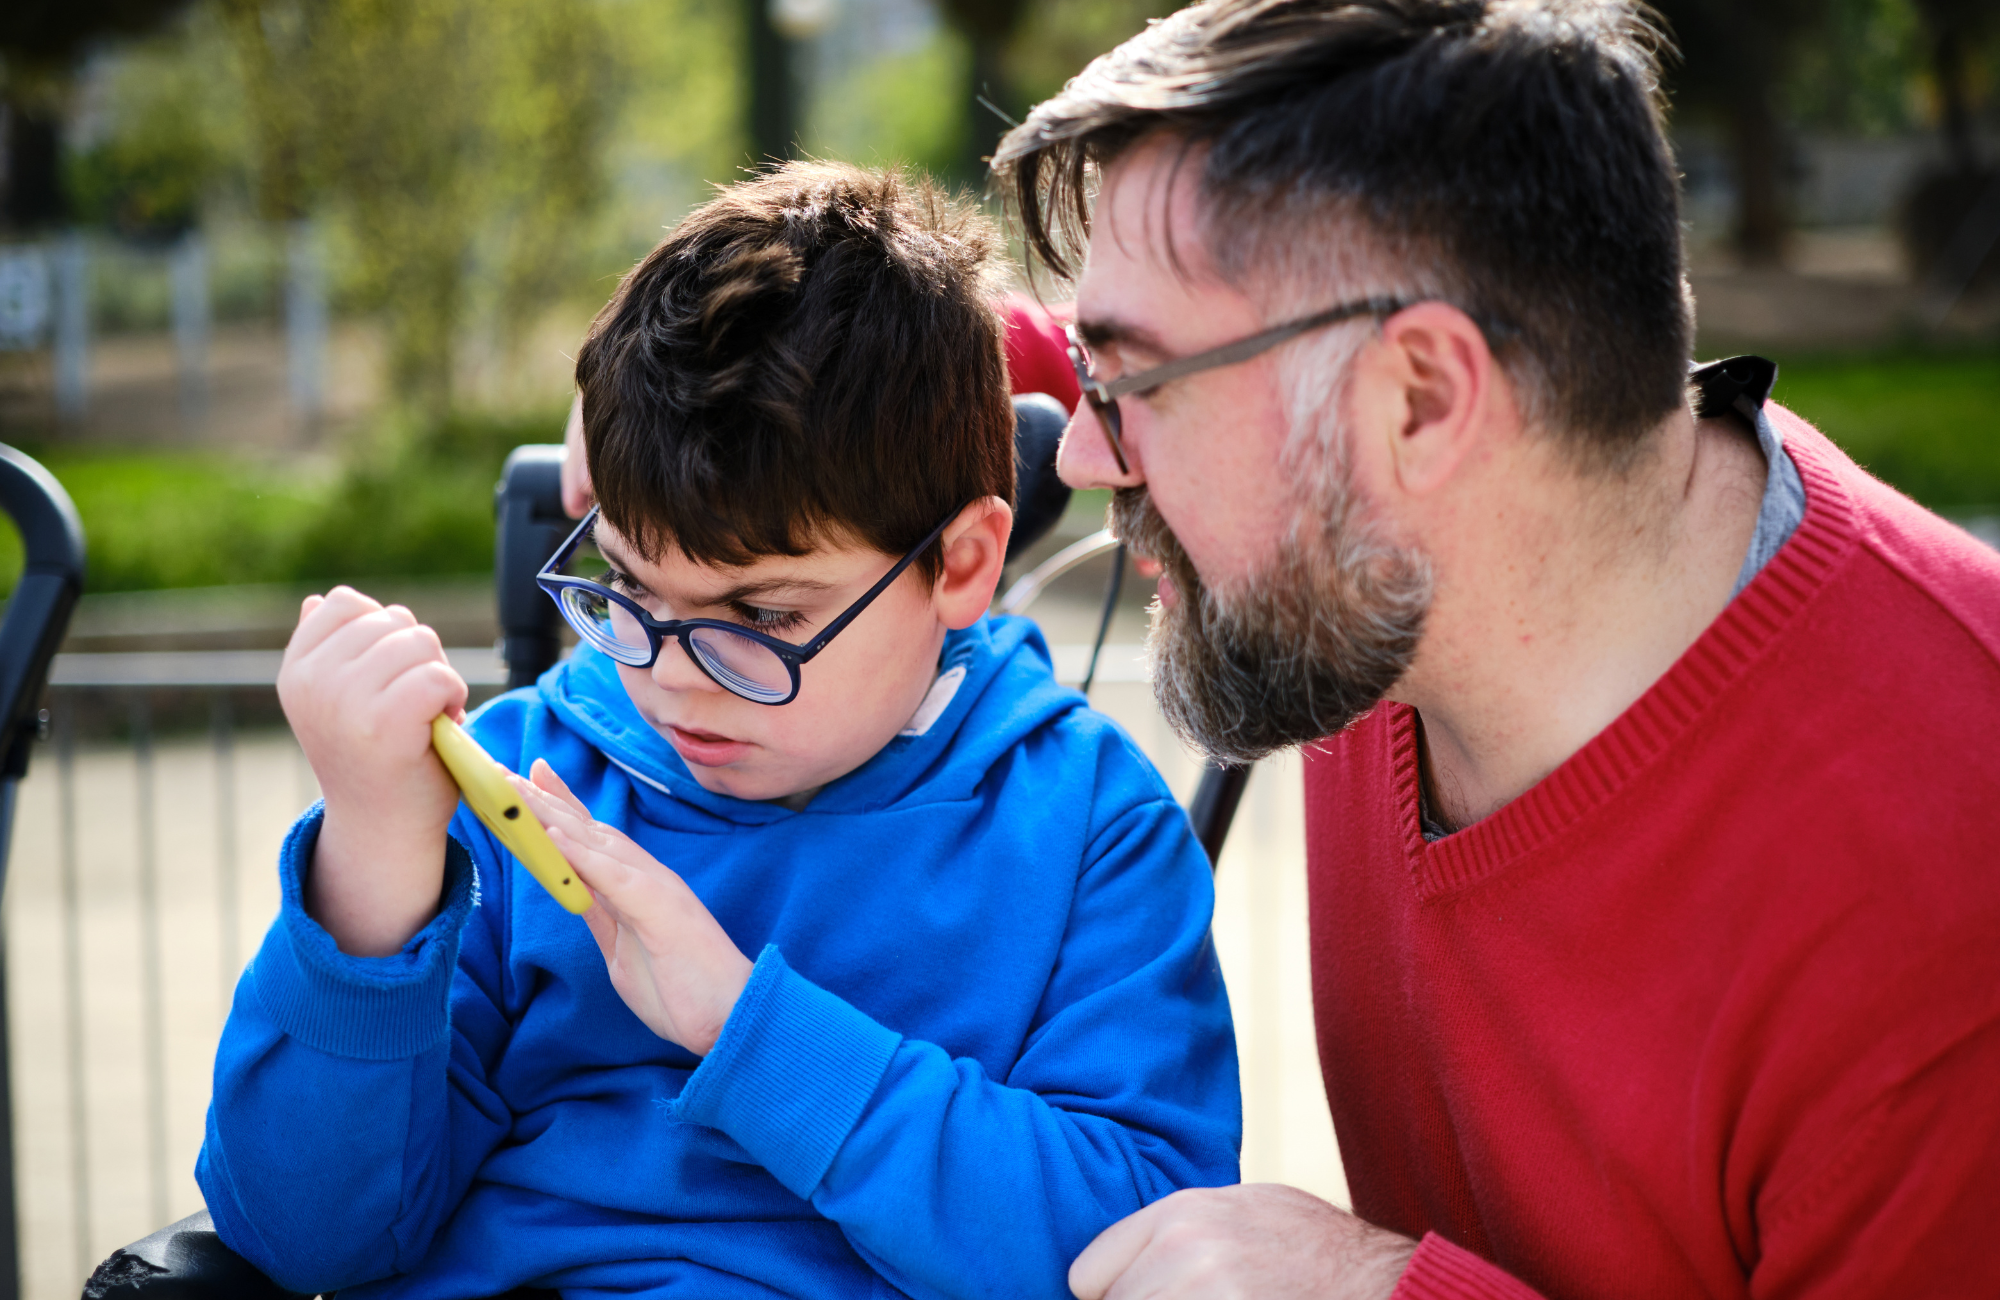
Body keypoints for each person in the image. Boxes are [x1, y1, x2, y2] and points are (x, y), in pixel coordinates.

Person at [991, 1, 2000, 1297]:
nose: (1078, 446)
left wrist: (1372, 1289)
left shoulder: (1943, 918)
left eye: (1131, 390)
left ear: (1422, 400)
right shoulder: (1386, 551)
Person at [197, 161, 1239, 1300]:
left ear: (961, 563)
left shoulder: (1091, 829)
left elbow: (1145, 1249)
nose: (676, 679)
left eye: (759, 616)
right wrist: (371, 872)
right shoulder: (521, 780)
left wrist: (752, 1031)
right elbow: (296, 1235)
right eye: (630, 590)